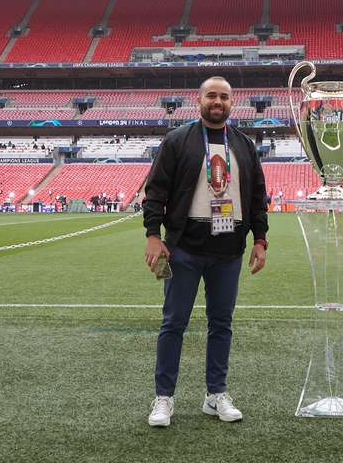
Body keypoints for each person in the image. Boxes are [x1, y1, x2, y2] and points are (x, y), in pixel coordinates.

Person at [142, 76, 269, 428]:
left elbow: (258, 196)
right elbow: (155, 192)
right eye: (211, 95)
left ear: (232, 102)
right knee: (173, 324)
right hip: (183, 249)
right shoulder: (177, 140)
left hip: (228, 251)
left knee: (221, 324)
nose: (218, 101)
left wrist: (260, 239)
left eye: (224, 96)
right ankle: (164, 398)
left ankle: (215, 395)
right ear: (198, 101)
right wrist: (153, 234)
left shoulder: (243, 145)